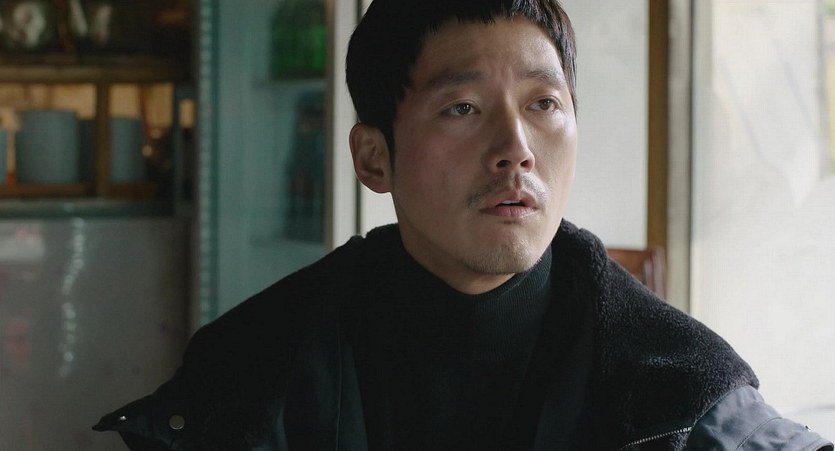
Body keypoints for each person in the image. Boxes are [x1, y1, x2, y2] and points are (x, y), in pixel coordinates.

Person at [94, 0, 834, 449]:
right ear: (373, 157)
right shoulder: (250, 373)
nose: (515, 149)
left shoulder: (675, 385)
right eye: (462, 108)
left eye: (543, 104)